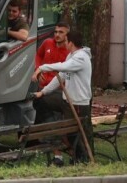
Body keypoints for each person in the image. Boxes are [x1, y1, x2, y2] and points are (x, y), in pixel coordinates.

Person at [31, 29, 93, 164]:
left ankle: (82, 159)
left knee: (74, 133)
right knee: (41, 101)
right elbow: (61, 76)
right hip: (67, 100)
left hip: (78, 103)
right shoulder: (72, 56)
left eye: (66, 41)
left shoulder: (81, 57)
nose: (64, 43)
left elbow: (63, 67)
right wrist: (43, 92)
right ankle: (55, 131)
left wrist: (42, 68)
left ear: (70, 42)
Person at [36, 22, 71, 89]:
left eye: (61, 32)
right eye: (56, 32)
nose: (57, 35)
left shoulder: (70, 51)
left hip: (59, 89)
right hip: (42, 86)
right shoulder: (47, 42)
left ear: (67, 35)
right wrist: (38, 69)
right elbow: (38, 55)